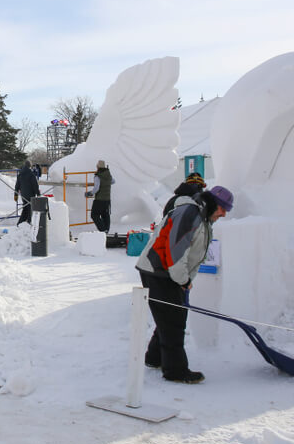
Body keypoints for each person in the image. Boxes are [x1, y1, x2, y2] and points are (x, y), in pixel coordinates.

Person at [135, 184, 233, 384]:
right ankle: (175, 371)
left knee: (168, 317)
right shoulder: (190, 212)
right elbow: (176, 250)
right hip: (159, 271)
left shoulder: (202, 216)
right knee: (174, 322)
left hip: (165, 272)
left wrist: (185, 279)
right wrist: (183, 279)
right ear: (213, 202)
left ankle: (154, 357)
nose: (223, 214)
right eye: (223, 209)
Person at [87, 159, 114, 233]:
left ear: (98, 167)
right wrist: (106, 183)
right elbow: (113, 181)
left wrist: (90, 193)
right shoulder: (108, 174)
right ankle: (106, 230)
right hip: (107, 200)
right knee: (105, 215)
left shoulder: (98, 176)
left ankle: (103, 230)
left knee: (94, 215)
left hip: (99, 200)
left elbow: (96, 188)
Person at [14, 160, 40, 226]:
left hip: (23, 195)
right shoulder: (31, 174)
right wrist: (38, 194)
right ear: (30, 166)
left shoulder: (20, 174)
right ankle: (28, 222)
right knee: (30, 209)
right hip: (31, 194)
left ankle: (20, 223)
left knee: (25, 208)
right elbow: (35, 185)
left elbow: (17, 185)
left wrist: (15, 195)